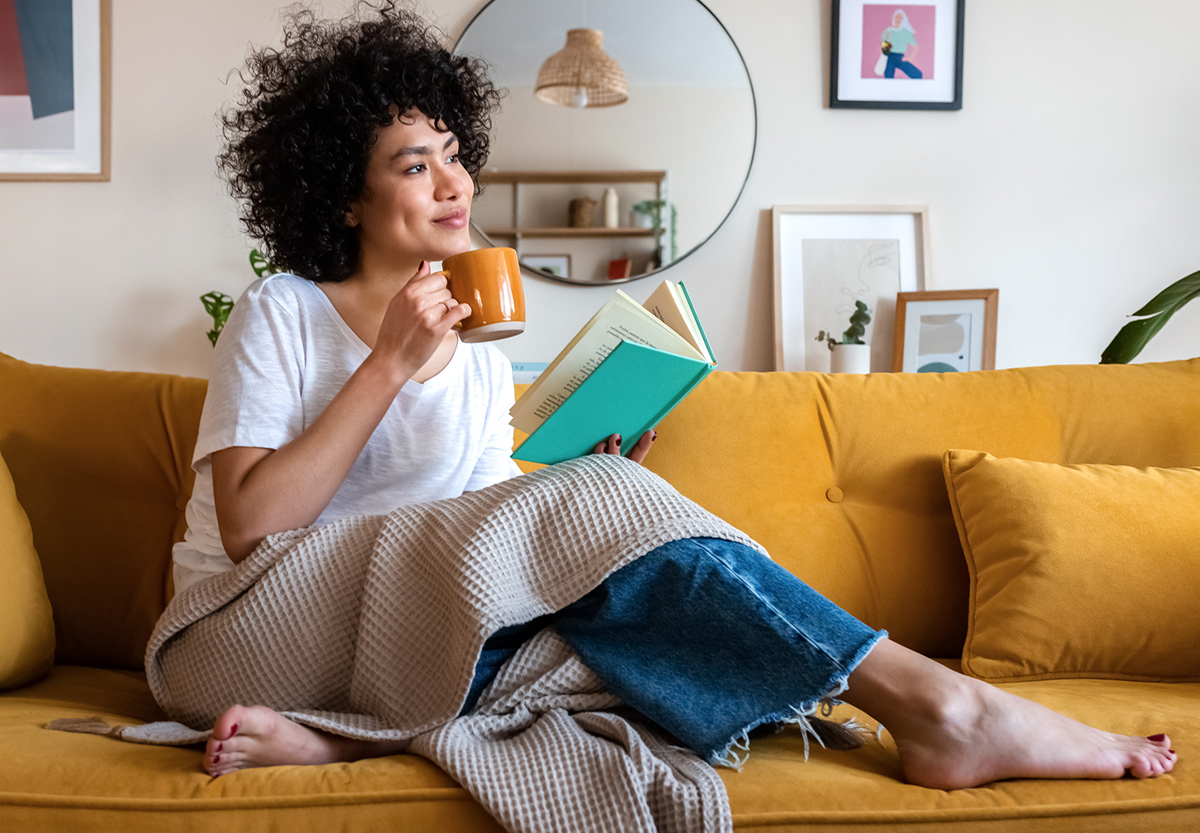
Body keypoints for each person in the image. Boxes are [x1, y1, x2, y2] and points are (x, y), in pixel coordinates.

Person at [172, 0, 1177, 790]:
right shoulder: (285, 311)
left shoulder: (476, 350)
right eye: (413, 163)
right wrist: (386, 364)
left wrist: (580, 485)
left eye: (455, 153)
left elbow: (472, 534)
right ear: (344, 196)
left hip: (393, 635)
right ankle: (945, 705)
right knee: (604, 582)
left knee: (613, 616)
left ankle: (345, 741)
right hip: (241, 631)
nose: (453, 182)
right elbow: (254, 526)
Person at [882, 9, 923, 79]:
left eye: (900, 17)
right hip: (890, 57)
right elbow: (884, 50)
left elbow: (916, 48)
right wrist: (886, 42)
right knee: (888, 78)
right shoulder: (887, 31)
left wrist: (909, 59)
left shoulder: (906, 33)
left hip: (900, 57)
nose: (898, 19)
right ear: (893, 18)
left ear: (903, 19)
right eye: (896, 17)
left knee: (918, 74)